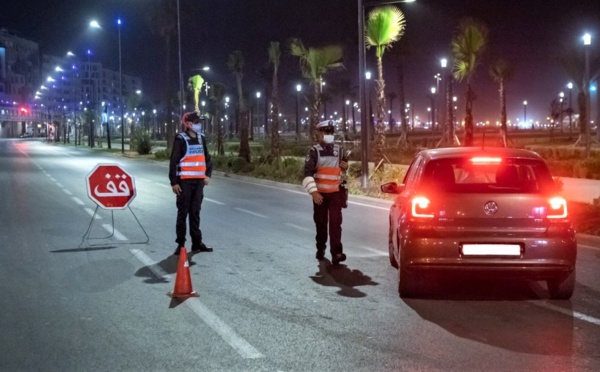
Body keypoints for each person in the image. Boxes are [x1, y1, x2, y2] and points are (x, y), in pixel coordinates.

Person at [302, 120, 349, 264]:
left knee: (336, 224)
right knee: (321, 224)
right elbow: (307, 173)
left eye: (330, 132)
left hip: (335, 194)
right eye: (326, 132)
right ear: (320, 133)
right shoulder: (314, 151)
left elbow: (344, 169)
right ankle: (320, 248)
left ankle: (337, 253)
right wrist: (314, 193)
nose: (329, 135)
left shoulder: (339, 150)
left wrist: (346, 166)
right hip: (320, 195)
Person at [169, 111, 213, 255]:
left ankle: (197, 243)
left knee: (195, 212)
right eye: (196, 122)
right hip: (184, 183)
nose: (199, 125)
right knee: (183, 213)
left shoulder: (201, 138)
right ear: (188, 124)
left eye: (199, 122)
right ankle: (181, 245)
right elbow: (174, 162)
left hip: (199, 183)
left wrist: (208, 175)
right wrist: (174, 182)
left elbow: (207, 159)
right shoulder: (180, 139)